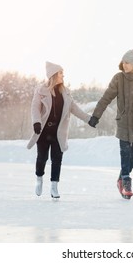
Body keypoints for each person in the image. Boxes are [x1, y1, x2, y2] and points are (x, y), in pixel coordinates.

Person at [88, 49, 133, 199]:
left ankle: (121, 178)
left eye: (127, 62)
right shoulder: (119, 78)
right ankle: (126, 181)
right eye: (123, 62)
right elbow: (106, 98)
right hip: (124, 122)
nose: (124, 65)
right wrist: (95, 116)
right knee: (125, 154)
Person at [27, 61, 90, 198]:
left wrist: (88, 119)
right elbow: (35, 108)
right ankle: (39, 179)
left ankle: (54, 187)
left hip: (58, 133)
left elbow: (75, 109)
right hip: (43, 132)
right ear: (54, 75)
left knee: (57, 160)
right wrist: (36, 122)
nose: (63, 75)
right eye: (61, 73)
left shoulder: (65, 93)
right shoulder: (41, 91)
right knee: (42, 158)